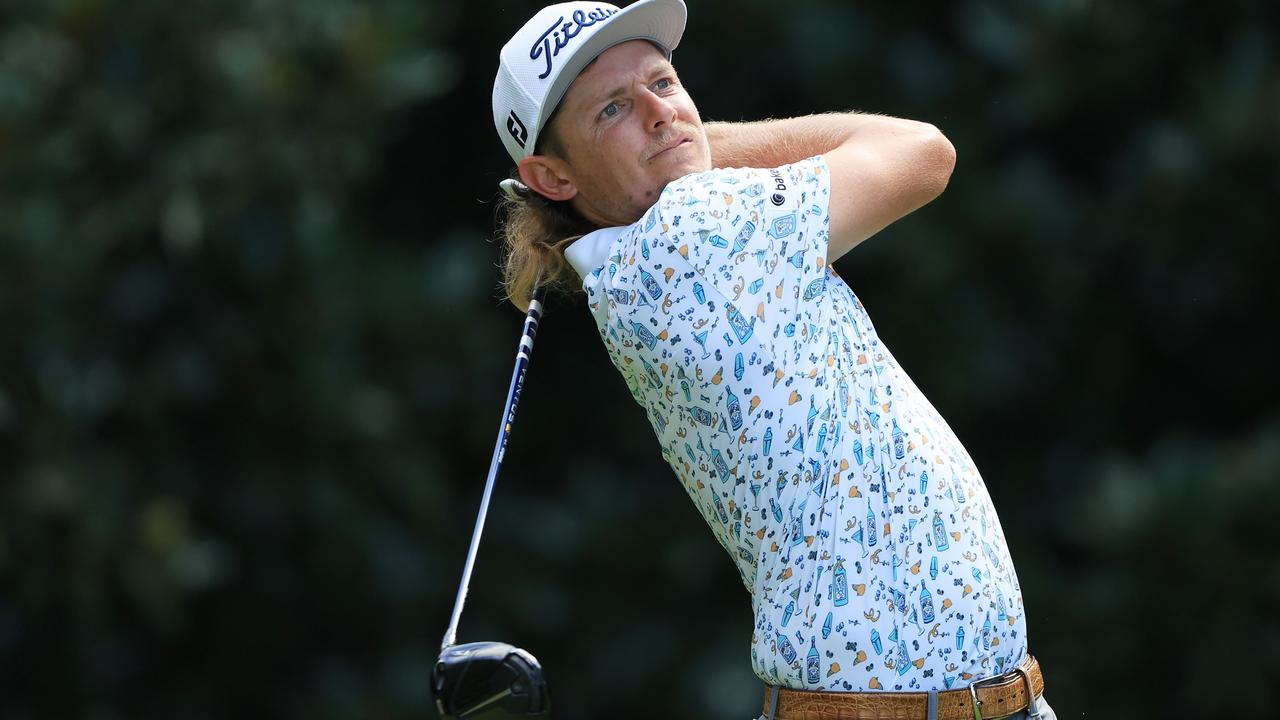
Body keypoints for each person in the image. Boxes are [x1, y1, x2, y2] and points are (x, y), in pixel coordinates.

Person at [491, 2, 1055, 718]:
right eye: (611, 111)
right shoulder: (693, 234)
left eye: (663, 85)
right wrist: (702, 142)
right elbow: (923, 152)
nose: (659, 113)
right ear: (551, 177)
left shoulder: (640, 260)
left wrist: (668, 145)